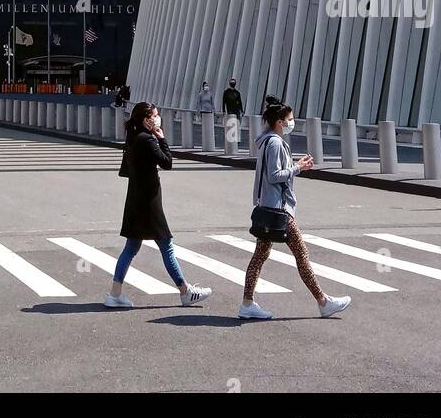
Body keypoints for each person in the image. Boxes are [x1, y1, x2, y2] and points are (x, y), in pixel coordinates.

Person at [239, 96, 351, 322]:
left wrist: (294, 166)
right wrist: (297, 167)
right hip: (279, 210)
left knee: (260, 255)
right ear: (279, 122)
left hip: (267, 207)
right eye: (289, 119)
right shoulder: (276, 143)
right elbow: (274, 175)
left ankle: (247, 303)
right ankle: (323, 302)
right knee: (301, 255)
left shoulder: (266, 141)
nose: (292, 123)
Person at [105, 101, 212, 309]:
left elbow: (127, 169)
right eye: (155, 115)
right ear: (146, 119)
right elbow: (167, 162)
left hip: (136, 199)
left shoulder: (133, 138)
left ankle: (115, 293)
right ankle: (185, 291)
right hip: (149, 202)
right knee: (166, 246)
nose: (157, 117)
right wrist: (162, 139)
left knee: (131, 247)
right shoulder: (147, 140)